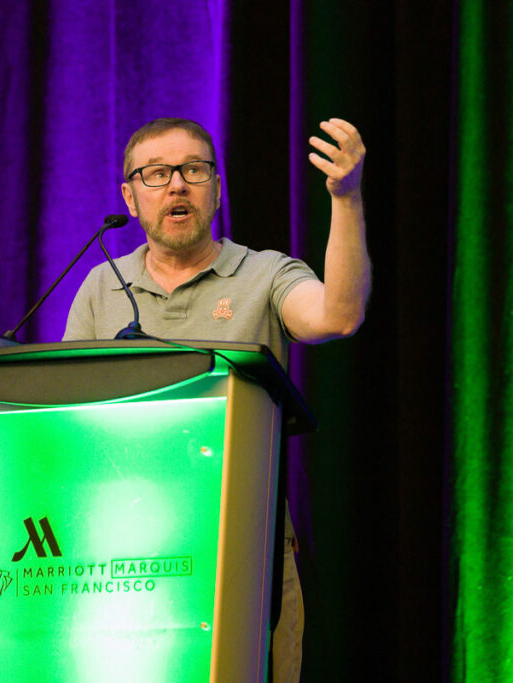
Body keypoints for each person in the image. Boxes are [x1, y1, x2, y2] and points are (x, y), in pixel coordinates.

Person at [63, 116, 371, 683]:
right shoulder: (101, 287)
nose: (177, 184)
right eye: (156, 174)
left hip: (244, 549)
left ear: (216, 188)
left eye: (194, 169)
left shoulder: (264, 273)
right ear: (130, 198)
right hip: (124, 560)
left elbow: (339, 315)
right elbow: (65, 420)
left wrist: (345, 199)